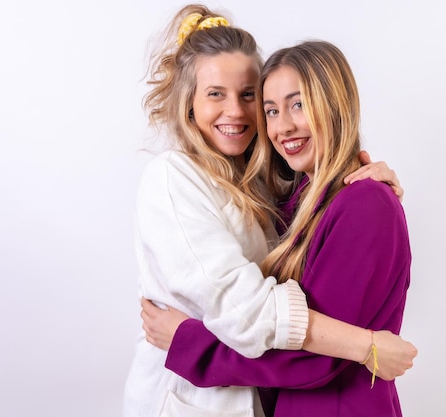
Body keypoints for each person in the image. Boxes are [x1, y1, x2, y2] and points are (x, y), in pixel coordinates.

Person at [126, 4, 415, 417]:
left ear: (334, 105)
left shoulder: (314, 192)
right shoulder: (176, 178)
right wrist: (366, 346)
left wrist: (186, 342)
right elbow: (252, 313)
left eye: (249, 96)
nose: (239, 112)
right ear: (188, 103)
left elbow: (306, 352)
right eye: (273, 109)